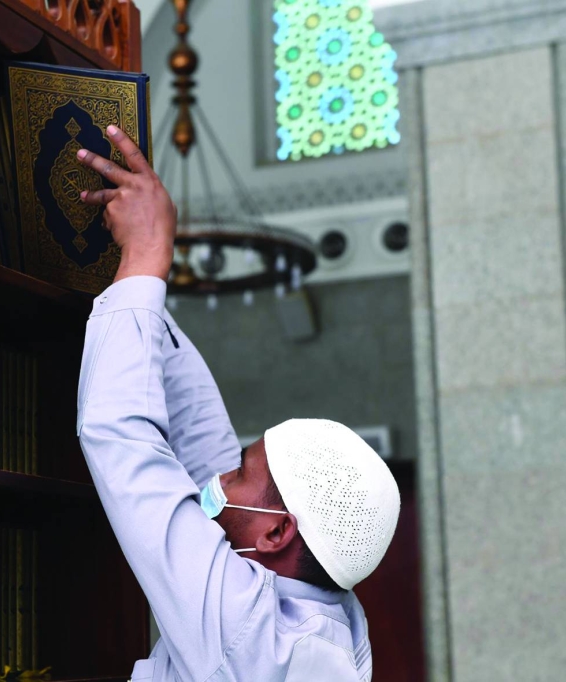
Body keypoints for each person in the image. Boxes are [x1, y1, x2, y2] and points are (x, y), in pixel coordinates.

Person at [74, 125, 401, 682]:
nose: (220, 476)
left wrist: (147, 256)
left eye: (242, 472)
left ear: (276, 533)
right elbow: (200, 429)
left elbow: (122, 437)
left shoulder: (249, 636)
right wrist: (138, 277)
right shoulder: (331, 618)